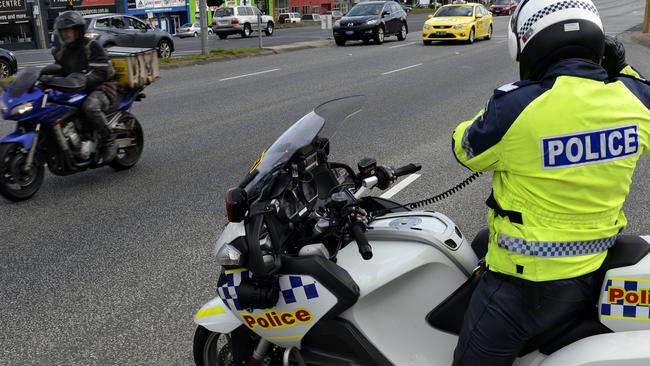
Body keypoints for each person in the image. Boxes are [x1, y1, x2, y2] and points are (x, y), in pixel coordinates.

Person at [450, 0, 650, 365]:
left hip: (521, 288)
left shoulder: (518, 106)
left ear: (527, 42)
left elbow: (465, 148)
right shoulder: (633, 100)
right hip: (590, 268)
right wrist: (621, 67)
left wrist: (495, 108)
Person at [52, 11, 118, 162]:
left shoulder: (92, 46)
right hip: (76, 89)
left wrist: (83, 81)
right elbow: (59, 71)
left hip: (103, 88)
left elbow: (101, 72)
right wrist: (44, 78)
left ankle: (109, 140)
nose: (66, 34)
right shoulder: (63, 52)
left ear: (78, 30)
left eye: (69, 30)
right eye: (63, 31)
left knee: (90, 106)